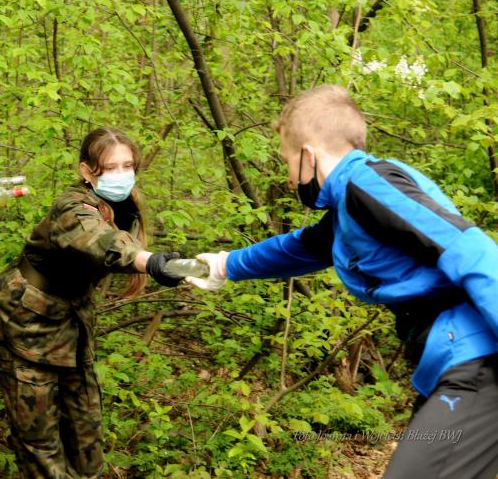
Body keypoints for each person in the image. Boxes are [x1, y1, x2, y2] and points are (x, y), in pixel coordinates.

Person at [188, 84, 498, 478]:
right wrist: (224, 265)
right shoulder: (348, 209)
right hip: (456, 362)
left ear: (307, 155)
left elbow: (472, 249)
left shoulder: (367, 185)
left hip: (476, 362)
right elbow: (297, 248)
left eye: (286, 161)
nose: (289, 179)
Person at [0, 127, 184, 478]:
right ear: (87, 171)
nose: (121, 175)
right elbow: (100, 241)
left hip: (72, 322)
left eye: (127, 166)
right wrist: (150, 262)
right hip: (26, 323)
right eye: (110, 167)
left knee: (86, 430)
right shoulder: (73, 207)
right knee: (39, 438)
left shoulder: (124, 206)